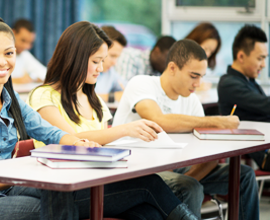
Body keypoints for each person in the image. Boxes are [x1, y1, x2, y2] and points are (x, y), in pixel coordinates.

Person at [0, 15, 197, 220]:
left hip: (8, 189)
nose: (2, 62)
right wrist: (17, 174)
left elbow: (51, 133)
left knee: (144, 205)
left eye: (9, 53)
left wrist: (77, 143)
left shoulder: (12, 101)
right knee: (56, 201)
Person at [27, 20, 198, 219]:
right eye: (96, 61)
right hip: (63, 192)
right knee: (150, 185)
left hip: (98, 181)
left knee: (151, 214)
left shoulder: (94, 99)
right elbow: (71, 140)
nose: (102, 68)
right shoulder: (43, 96)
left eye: (103, 61)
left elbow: (102, 144)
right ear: (75, 57)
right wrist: (125, 130)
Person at [112, 39, 259, 220]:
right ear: (173, 68)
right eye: (193, 76)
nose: (198, 83)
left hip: (178, 169)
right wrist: (217, 121)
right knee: (189, 186)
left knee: (243, 175)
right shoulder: (141, 84)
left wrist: (191, 176)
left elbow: (209, 152)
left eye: (201, 77)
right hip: (141, 170)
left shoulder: (191, 100)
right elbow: (159, 121)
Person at [217, 24, 270, 170]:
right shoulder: (228, 84)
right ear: (241, 56)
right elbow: (266, 105)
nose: (264, 65)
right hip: (264, 153)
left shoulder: (249, 81)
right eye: (260, 58)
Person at [95, 26, 127, 102]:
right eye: (112, 56)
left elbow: (128, 89)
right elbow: (84, 99)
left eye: (117, 57)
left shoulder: (110, 72)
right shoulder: (85, 70)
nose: (114, 62)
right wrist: (111, 97)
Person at [11, 18, 47, 83]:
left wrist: (32, 77)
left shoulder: (23, 54)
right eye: (23, 40)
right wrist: (13, 81)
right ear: (13, 33)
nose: (26, 47)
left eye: (30, 43)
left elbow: (45, 73)